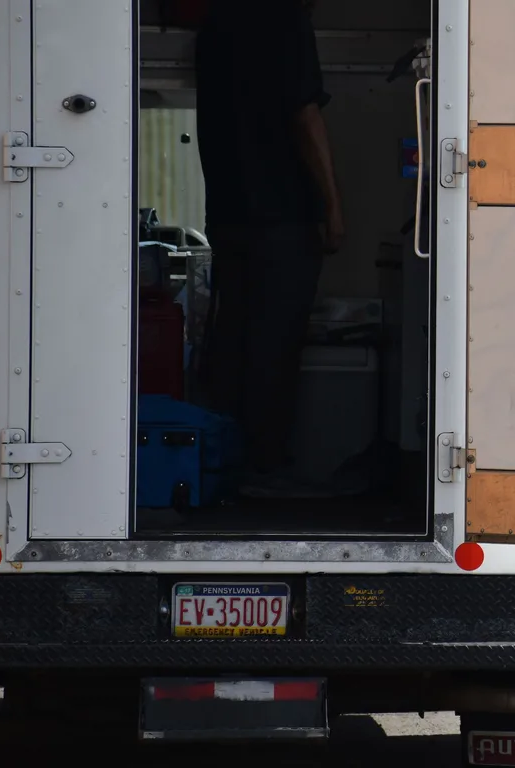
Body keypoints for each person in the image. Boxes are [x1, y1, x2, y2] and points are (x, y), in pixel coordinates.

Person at [195, 0, 345, 497]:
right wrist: (333, 207)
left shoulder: (216, 20)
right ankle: (266, 470)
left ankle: (222, 465)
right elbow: (305, 117)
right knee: (275, 346)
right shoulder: (287, 19)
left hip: (228, 211)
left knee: (233, 337)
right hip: (283, 212)